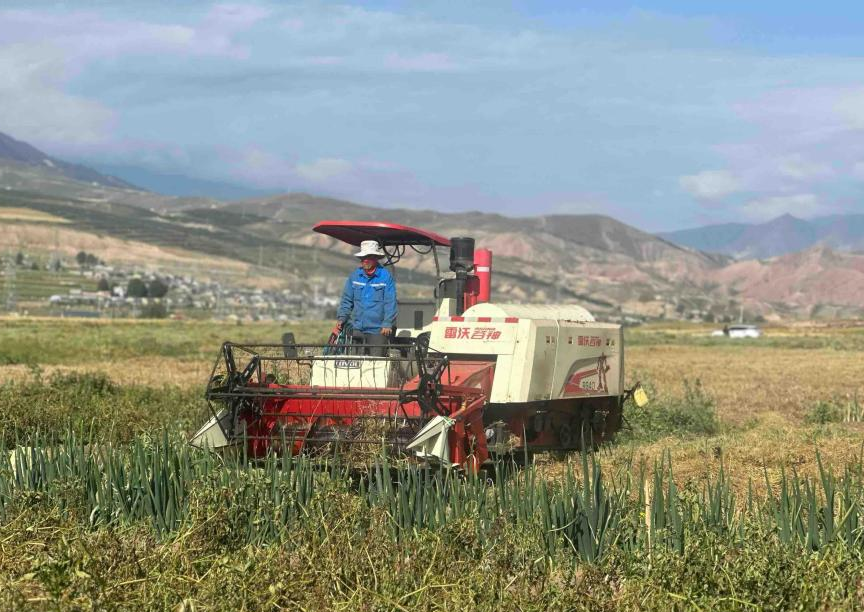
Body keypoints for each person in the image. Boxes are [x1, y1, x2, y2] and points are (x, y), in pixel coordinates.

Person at [335, 240, 397, 356]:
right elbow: (347, 300)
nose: (365, 260)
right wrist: (342, 318)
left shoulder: (385, 277)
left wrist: (387, 323)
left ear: (375, 258)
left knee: (376, 362)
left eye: (369, 257)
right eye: (363, 258)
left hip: (378, 330)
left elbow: (390, 302)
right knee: (355, 361)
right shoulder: (355, 276)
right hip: (357, 328)